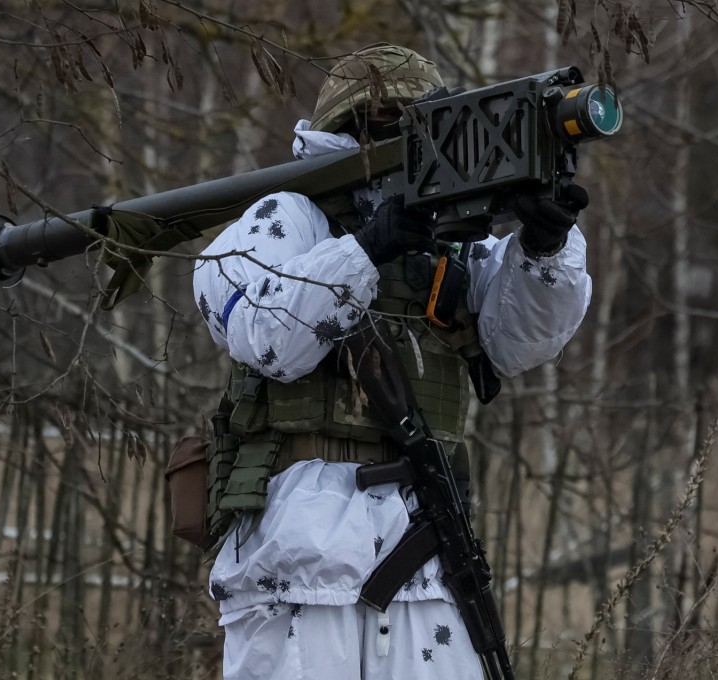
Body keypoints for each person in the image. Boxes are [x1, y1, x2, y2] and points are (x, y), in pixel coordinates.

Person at [192, 43, 592, 680]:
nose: (402, 143)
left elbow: (521, 343)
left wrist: (544, 248)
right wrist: (364, 249)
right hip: (302, 539)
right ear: (347, 133)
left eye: (414, 126)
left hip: (424, 538)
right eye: (384, 128)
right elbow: (266, 337)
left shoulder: (452, 241)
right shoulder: (284, 215)